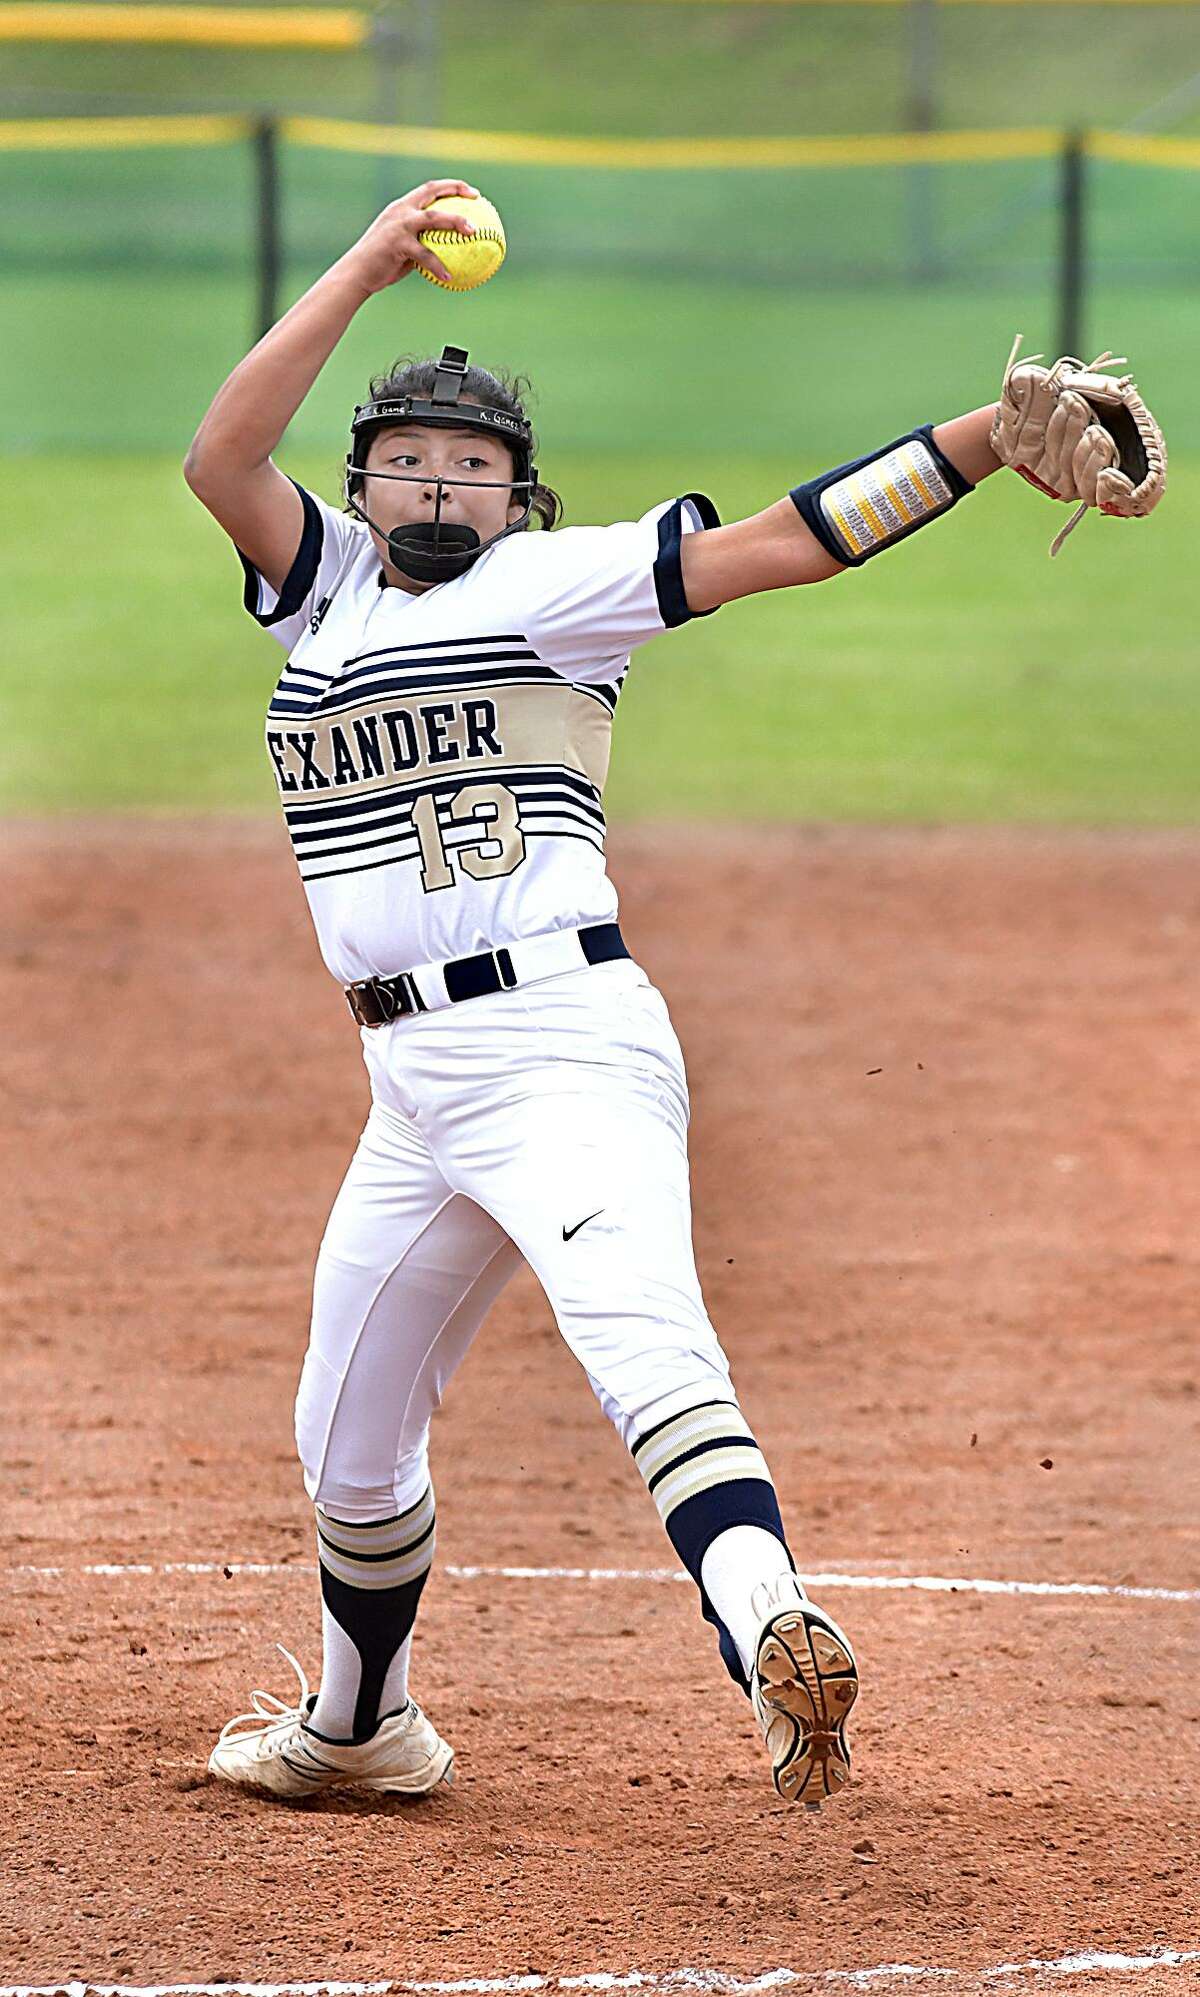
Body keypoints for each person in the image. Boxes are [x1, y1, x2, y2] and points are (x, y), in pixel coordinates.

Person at [182, 177, 1028, 1813]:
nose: (440, 479)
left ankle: (771, 1627)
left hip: (564, 1044)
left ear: (519, 496)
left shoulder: (557, 588)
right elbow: (221, 457)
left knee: (643, 1340)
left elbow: (784, 539)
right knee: (346, 1431)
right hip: (412, 1087)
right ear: (361, 482)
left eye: (473, 463)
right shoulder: (326, 588)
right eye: (409, 456)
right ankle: (362, 1726)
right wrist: (365, 264)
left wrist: (984, 440)